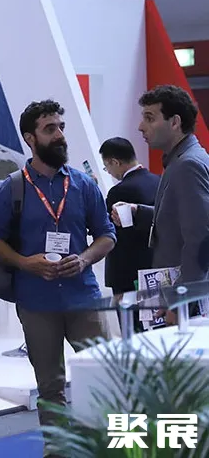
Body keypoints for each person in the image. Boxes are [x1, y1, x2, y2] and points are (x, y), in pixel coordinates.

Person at [0, 100, 115, 432]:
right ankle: (57, 450)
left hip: (83, 298)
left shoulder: (83, 185)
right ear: (30, 138)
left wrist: (84, 258)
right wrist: (25, 263)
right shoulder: (12, 188)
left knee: (103, 377)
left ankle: (102, 447)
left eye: (61, 127)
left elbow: (107, 234)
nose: (59, 135)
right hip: (36, 302)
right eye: (49, 129)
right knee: (50, 387)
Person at [112, 85, 209, 324]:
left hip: (186, 299)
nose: (140, 126)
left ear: (175, 122)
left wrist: (180, 300)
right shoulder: (181, 160)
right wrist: (140, 212)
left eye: (149, 118)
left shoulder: (187, 165)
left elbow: (200, 239)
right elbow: (182, 217)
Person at [99, 137, 159, 322]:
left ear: (115, 162)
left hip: (128, 273)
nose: (109, 171)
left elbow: (106, 227)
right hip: (157, 267)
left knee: (132, 328)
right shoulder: (159, 181)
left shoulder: (119, 191)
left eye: (106, 167)